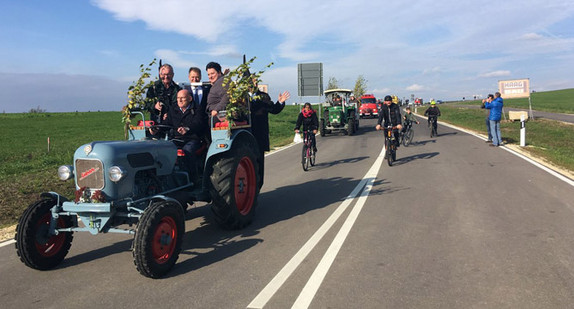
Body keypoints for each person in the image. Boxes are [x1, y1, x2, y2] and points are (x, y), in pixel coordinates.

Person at [150, 89, 207, 178]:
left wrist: (187, 129)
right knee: (163, 150)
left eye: (183, 98)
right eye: (178, 98)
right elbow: (167, 123)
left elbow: (198, 123)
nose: (180, 100)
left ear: (190, 98)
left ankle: (192, 178)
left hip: (192, 139)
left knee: (187, 151)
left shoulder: (197, 109)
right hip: (176, 138)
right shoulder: (173, 109)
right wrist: (157, 129)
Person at [249, 78, 290, 187]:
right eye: (251, 81)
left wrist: (280, 102)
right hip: (245, 136)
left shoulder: (264, 96)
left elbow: (274, 109)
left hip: (259, 136)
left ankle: (257, 188)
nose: (254, 84)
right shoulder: (240, 98)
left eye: (255, 81)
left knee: (258, 165)